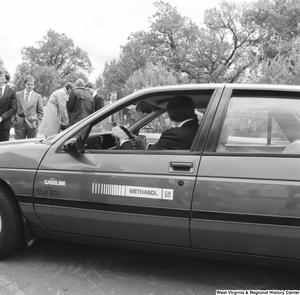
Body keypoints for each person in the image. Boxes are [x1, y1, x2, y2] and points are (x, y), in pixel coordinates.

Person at [112, 95, 199, 150]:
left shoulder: (175, 135)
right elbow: (159, 150)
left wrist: (123, 138)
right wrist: (143, 144)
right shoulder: (196, 129)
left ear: (171, 114)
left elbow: (142, 160)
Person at [13, 75, 44, 139]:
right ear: (25, 84)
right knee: (19, 145)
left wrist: (38, 123)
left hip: (33, 124)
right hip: (19, 124)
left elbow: (40, 111)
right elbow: (13, 109)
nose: (30, 86)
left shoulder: (38, 96)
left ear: (34, 85)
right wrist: (13, 120)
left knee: (31, 146)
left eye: (32, 85)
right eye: (28, 84)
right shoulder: (17, 95)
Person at [0, 70, 17, 141]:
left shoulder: (12, 92)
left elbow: (13, 109)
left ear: (6, 79)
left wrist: (2, 117)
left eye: (1, 76)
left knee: (3, 148)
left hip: (5, 124)